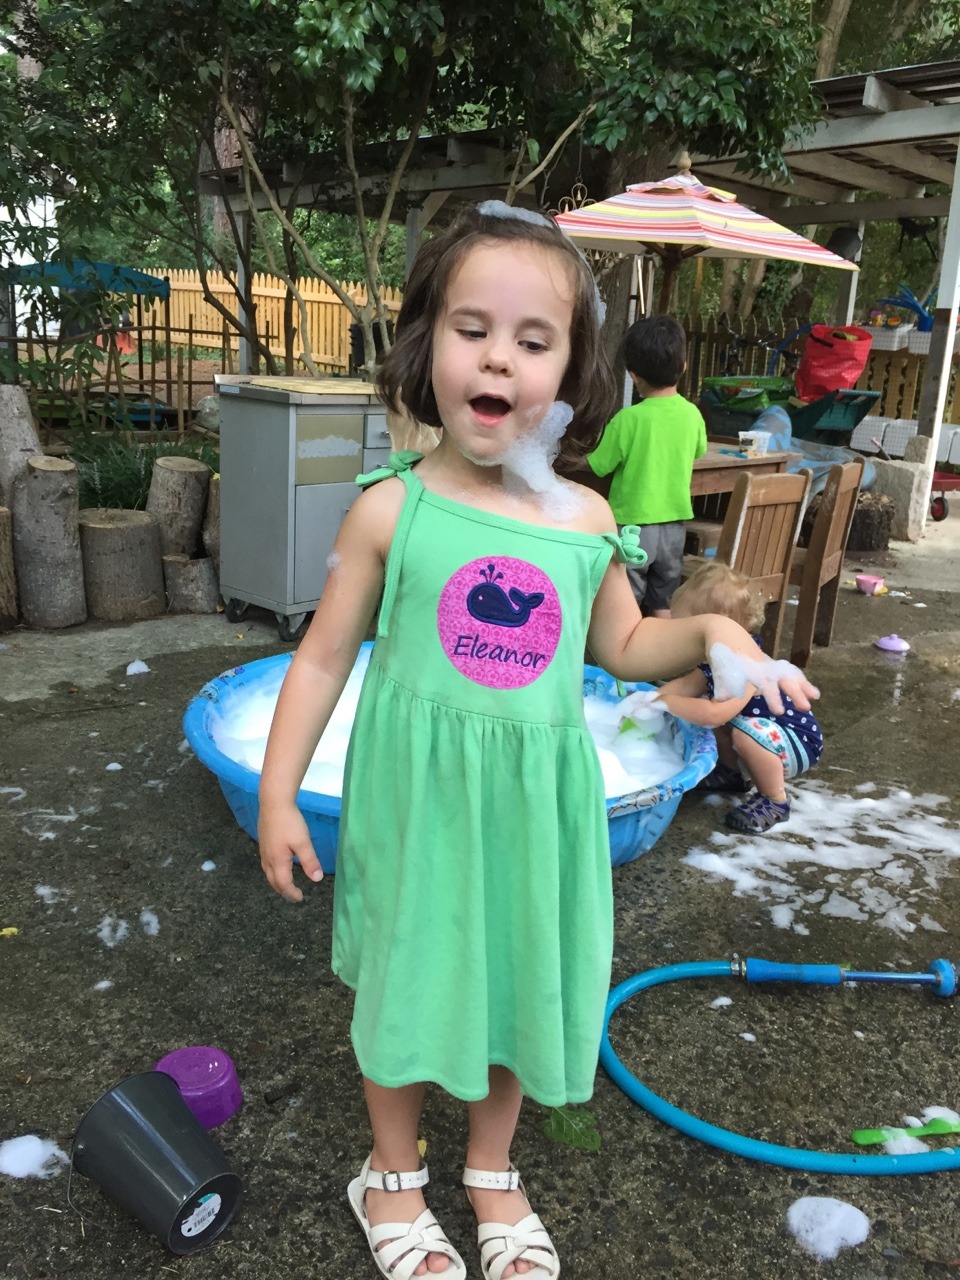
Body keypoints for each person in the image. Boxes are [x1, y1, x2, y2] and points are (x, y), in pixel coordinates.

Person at [257, 201, 819, 1280]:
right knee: (406, 980)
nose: (498, 359)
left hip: (532, 809)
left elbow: (629, 644)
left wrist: (715, 632)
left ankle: (492, 1167)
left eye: (533, 339)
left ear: (570, 373)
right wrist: (280, 794)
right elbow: (322, 659)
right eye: (472, 329)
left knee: (519, 977)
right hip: (418, 804)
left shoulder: (584, 522)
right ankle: (389, 1172)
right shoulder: (391, 511)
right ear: (427, 344)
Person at [654, 561, 824, 834]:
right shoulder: (715, 659)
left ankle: (776, 800)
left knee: (735, 727)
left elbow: (713, 713)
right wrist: (645, 701)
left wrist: (667, 703)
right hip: (763, 733)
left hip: (797, 742)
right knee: (722, 719)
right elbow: (685, 686)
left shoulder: (746, 665)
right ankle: (731, 774)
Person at [585, 314, 707, 618]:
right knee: (662, 600)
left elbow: (598, 465)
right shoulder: (692, 414)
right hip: (674, 526)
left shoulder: (628, 419)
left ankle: (623, 649)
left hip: (633, 527)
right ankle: (659, 647)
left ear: (633, 375)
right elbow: (700, 451)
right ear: (683, 366)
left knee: (625, 601)